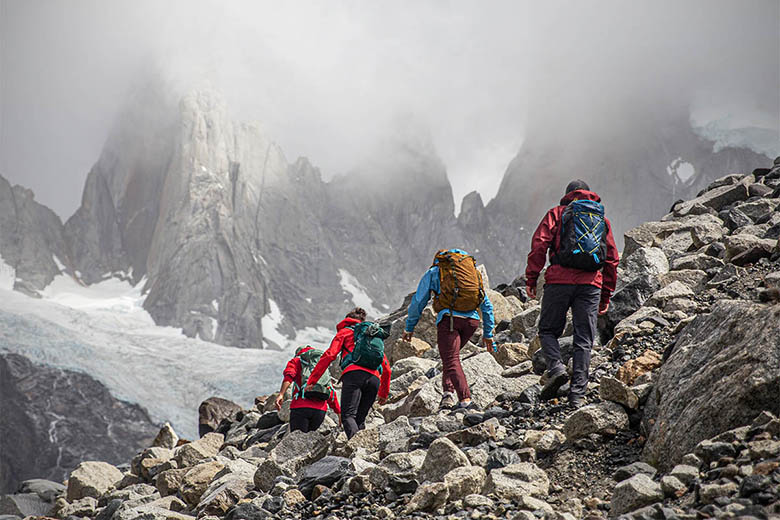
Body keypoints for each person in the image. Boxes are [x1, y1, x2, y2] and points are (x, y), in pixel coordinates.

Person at [525, 180, 619, 407]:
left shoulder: (557, 213)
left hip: (559, 281)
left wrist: (531, 278)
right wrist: (605, 295)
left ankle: (556, 368)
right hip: (591, 285)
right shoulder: (601, 219)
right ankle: (577, 396)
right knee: (584, 339)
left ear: (567, 195)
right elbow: (612, 259)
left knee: (547, 330)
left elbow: (539, 244)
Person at [403, 248, 496, 411]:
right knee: (450, 357)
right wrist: (488, 333)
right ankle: (447, 394)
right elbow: (486, 304)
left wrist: (409, 327)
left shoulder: (435, 272)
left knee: (451, 359)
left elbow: (418, 302)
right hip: (472, 322)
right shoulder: (472, 273)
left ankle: (465, 399)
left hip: (450, 320)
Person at [306, 307, 391, 439]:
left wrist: (312, 380)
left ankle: (357, 449)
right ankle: (364, 452)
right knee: (360, 419)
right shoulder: (371, 335)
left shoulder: (345, 332)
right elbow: (386, 368)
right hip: (374, 378)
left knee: (348, 416)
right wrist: (383, 392)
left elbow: (329, 355)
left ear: (346, 320)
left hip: (353, 375)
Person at [275, 345, 341, 433]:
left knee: (297, 441)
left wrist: (281, 394)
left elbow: (289, 375)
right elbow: (329, 389)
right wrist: (338, 412)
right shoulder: (321, 364)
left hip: (300, 407)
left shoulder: (297, 361)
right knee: (309, 442)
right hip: (320, 412)